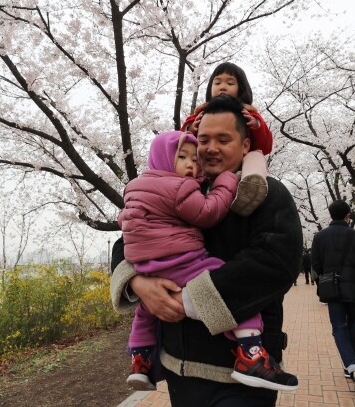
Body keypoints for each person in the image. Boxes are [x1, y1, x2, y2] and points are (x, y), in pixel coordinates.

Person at [111, 94, 302, 406]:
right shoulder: (175, 189)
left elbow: (276, 263)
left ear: (244, 146)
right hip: (179, 367)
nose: (211, 148)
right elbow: (130, 238)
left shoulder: (268, 193)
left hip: (241, 381)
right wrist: (138, 284)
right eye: (204, 140)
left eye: (223, 139)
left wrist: (188, 299)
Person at [182, 62, 272, 217]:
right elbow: (181, 142)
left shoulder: (250, 114)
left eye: (230, 83)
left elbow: (266, 145)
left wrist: (256, 125)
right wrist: (190, 130)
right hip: (205, 172)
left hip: (242, 166)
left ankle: (251, 185)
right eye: (217, 83)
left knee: (256, 156)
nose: (222, 87)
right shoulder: (200, 114)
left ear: (241, 89)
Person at [310, 200, 355, 397]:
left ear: (330, 214)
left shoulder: (320, 236)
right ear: (348, 216)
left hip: (332, 289)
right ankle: (351, 365)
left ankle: (352, 366)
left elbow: (316, 265)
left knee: (339, 327)